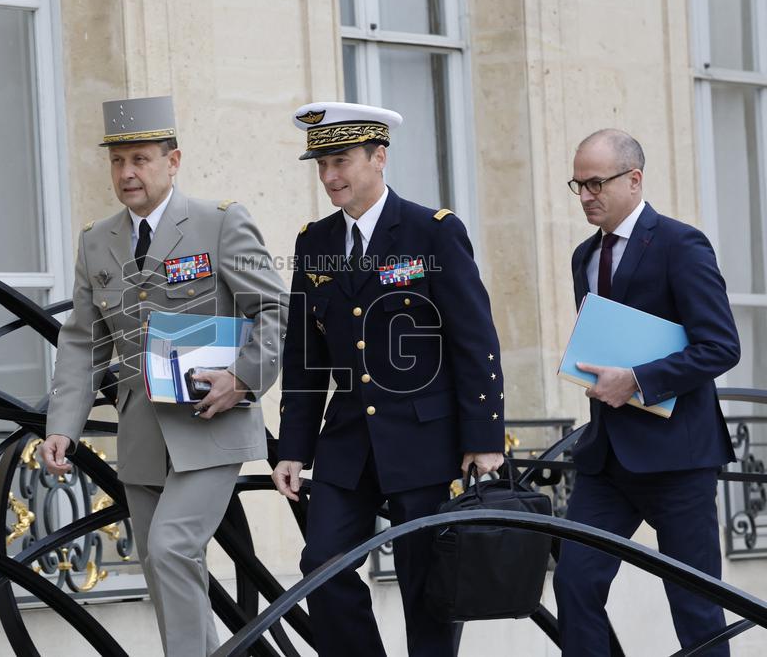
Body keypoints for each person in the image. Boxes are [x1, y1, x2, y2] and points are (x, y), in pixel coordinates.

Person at [40, 95, 286, 656]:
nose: (127, 173)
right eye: (118, 160)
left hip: (212, 424)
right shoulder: (94, 240)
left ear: (172, 162)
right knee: (162, 564)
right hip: (143, 435)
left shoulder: (220, 222)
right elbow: (82, 341)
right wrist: (63, 424)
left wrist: (243, 378)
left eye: (141, 159)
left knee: (173, 546)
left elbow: (274, 312)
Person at [271, 101, 505, 656]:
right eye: (321, 163)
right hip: (348, 442)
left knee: (427, 583)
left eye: (341, 160)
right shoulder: (315, 243)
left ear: (380, 157)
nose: (329, 176)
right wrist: (292, 448)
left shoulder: (433, 232)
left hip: (425, 439)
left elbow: (475, 340)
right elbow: (305, 354)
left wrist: (484, 439)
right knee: (321, 565)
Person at [553, 128, 739, 656]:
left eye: (595, 183)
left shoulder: (681, 244)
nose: (585, 195)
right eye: (578, 184)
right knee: (574, 585)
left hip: (679, 460)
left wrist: (636, 380)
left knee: (697, 609)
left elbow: (721, 346)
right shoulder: (583, 257)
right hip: (606, 460)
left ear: (634, 180)